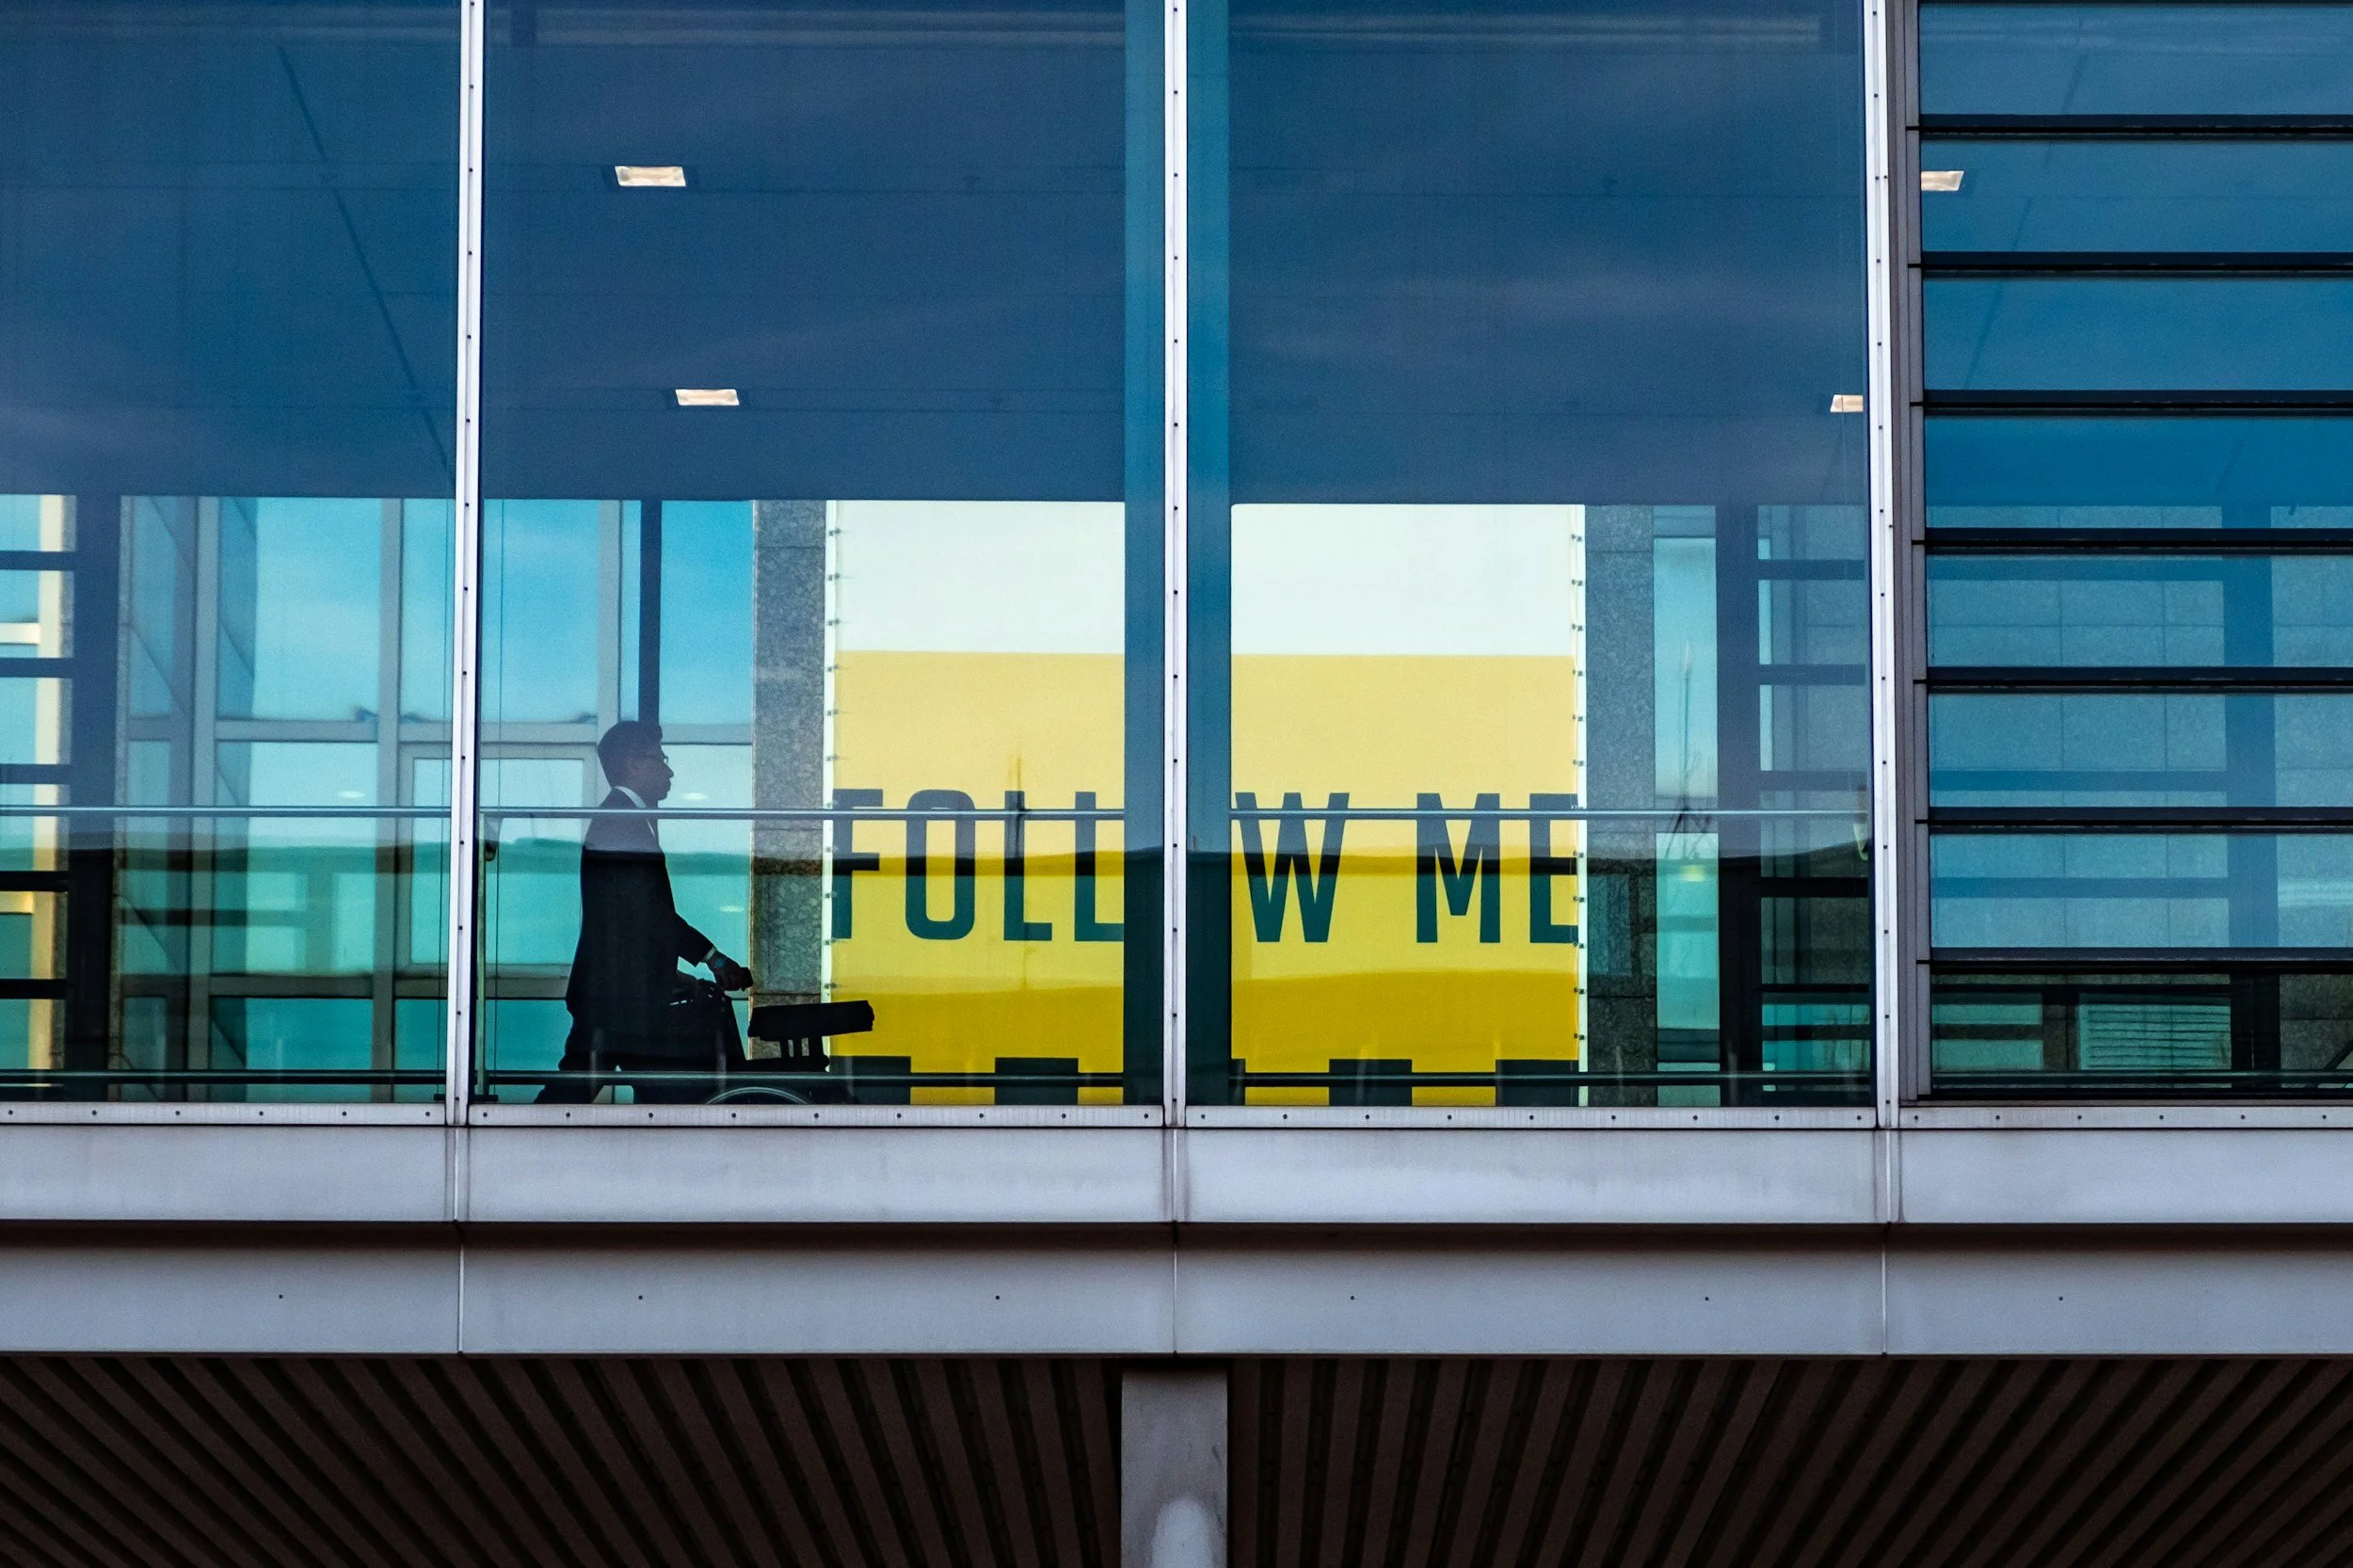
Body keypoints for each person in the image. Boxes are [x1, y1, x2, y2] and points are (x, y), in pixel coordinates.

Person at [538, 721, 756, 1103]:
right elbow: (649, 914)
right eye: (662, 759)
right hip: (620, 999)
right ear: (635, 765)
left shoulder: (623, 819)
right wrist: (712, 958)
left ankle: (523, 1148)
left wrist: (670, 971)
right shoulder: (622, 823)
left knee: (587, 1090)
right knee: (581, 1093)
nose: (669, 770)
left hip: (618, 994)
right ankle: (518, 1150)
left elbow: (627, 921)